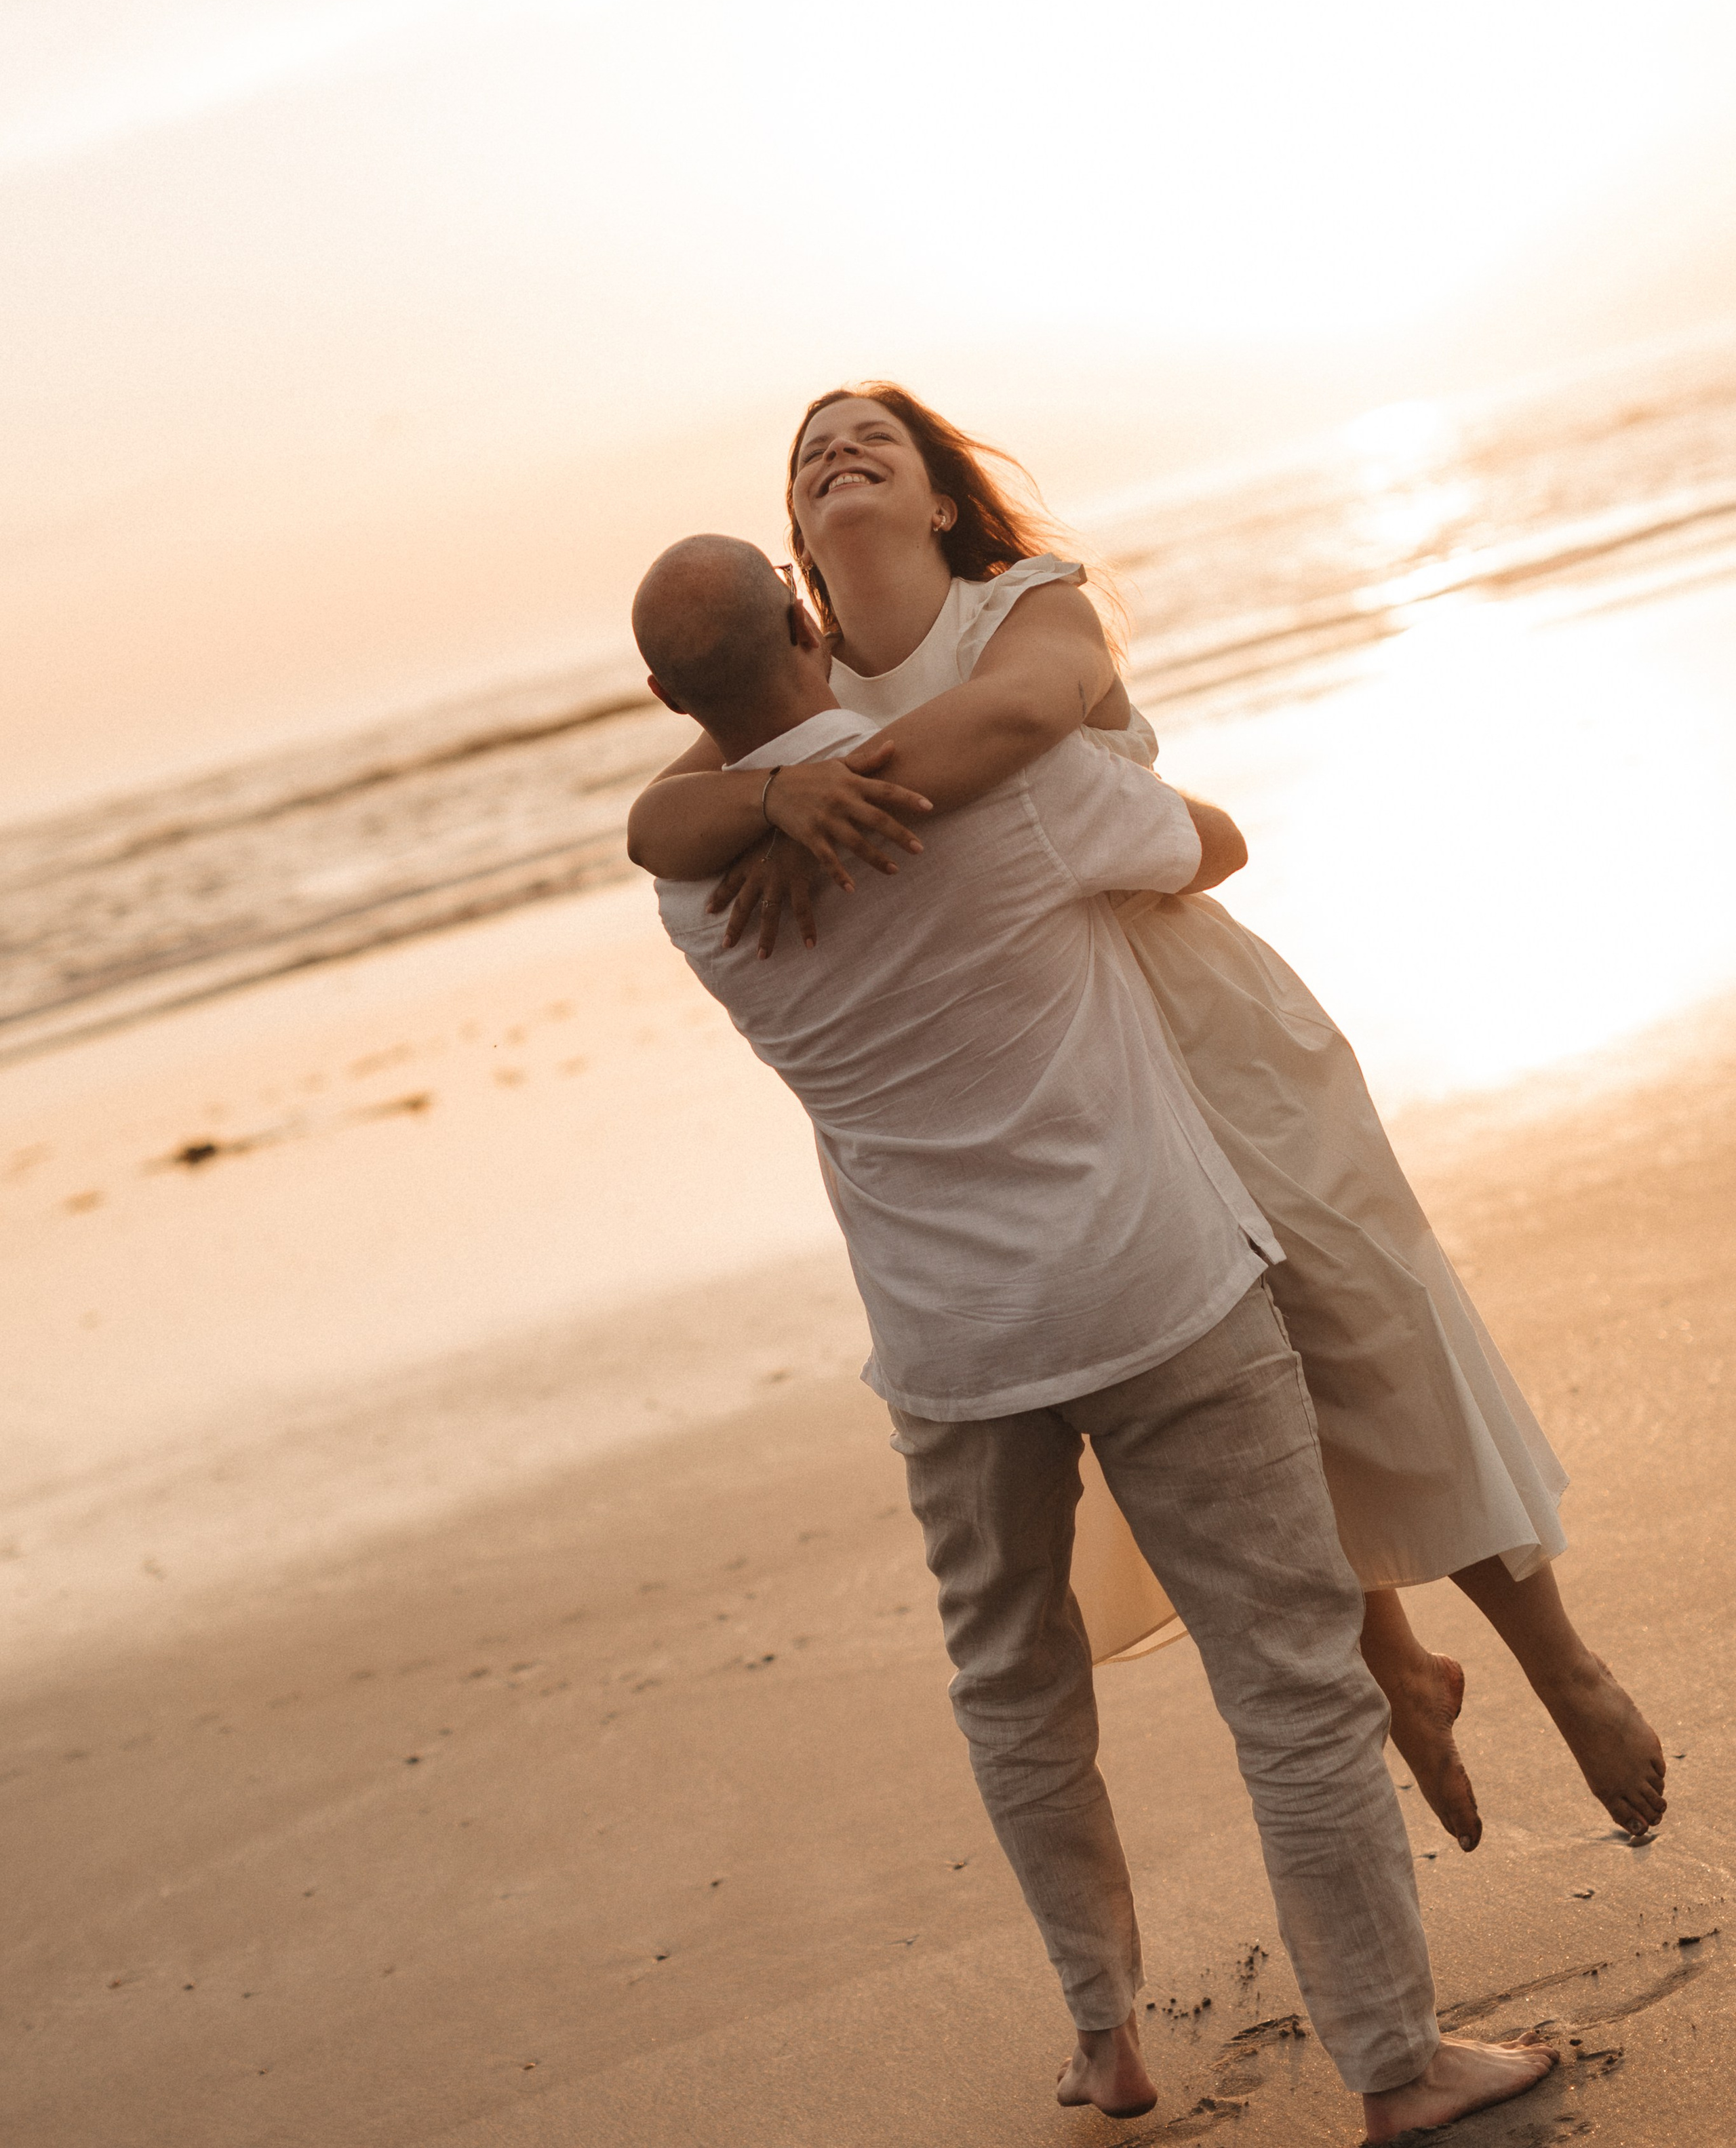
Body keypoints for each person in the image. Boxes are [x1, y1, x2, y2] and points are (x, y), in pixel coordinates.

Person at [627, 382, 1667, 1852]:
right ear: (794, 557)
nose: (837, 453)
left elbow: (1026, 717)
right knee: (1239, 1384)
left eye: (874, 440)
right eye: (807, 459)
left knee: (1374, 1337)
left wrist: (789, 795)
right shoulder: (796, 710)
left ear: (936, 498)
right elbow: (647, 831)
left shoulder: (1022, 607)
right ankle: (1389, 1663)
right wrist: (768, 798)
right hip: (1059, 1073)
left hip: (1197, 1020)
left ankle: (1559, 1665)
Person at [630, 532, 1558, 2136]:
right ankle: (1394, 2067)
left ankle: (1103, 2036)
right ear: (809, 618)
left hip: (947, 1346)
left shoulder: (701, 896)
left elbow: (675, 804)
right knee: (1290, 1683)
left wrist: (770, 788)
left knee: (1012, 1689)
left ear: (662, 697)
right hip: (1154, 1285)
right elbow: (1207, 844)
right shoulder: (1015, 784)